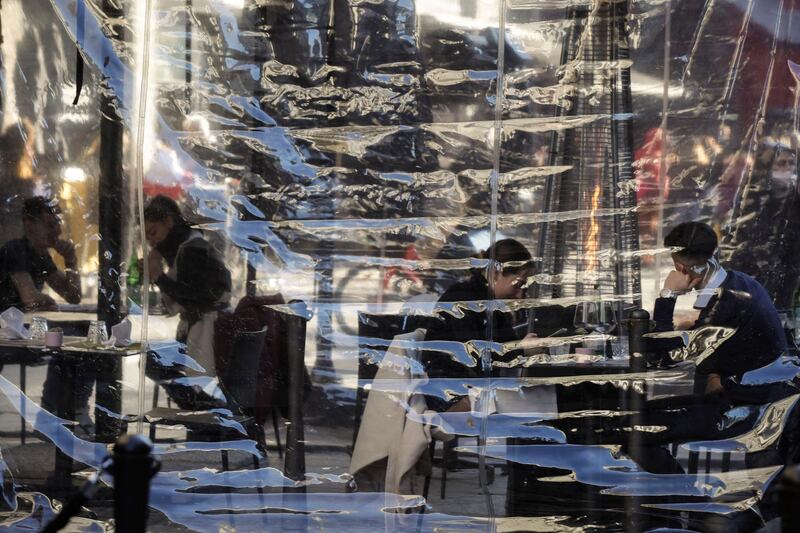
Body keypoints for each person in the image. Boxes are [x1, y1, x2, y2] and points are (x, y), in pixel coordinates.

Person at [655, 221, 786, 394]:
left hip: (746, 406)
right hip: (766, 392)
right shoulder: (741, 281)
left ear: (680, 267)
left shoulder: (724, 304)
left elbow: (665, 356)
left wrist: (668, 295)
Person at [422, 238, 536, 412]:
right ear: (495, 273)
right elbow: (474, 357)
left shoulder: (490, 303)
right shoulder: (464, 298)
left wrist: (523, 347)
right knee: (536, 403)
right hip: (447, 392)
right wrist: (521, 349)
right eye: (518, 285)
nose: (520, 295)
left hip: (466, 387)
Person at [143, 195, 232, 409]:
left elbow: (194, 297)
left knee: (152, 362)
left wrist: (159, 277)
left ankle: (201, 407)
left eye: (153, 232)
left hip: (206, 330)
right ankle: (200, 405)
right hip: (203, 327)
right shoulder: (189, 245)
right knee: (153, 361)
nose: (151, 241)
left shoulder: (191, 250)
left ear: (168, 223)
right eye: (146, 236)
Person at [718, 139, 800, 311]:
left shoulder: (795, 199)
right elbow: (739, 234)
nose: (787, 168)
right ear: (770, 168)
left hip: (788, 269)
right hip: (756, 269)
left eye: (791, 163)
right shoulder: (754, 197)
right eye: (781, 163)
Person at [0, 196, 81, 311]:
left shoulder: (41, 256)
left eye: (58, 223)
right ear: (30, 225)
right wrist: (46, 301)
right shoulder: (15, 250)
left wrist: (71, 261)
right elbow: (29, 297)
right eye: (51, 225)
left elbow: (73, 297)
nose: (58, 231)